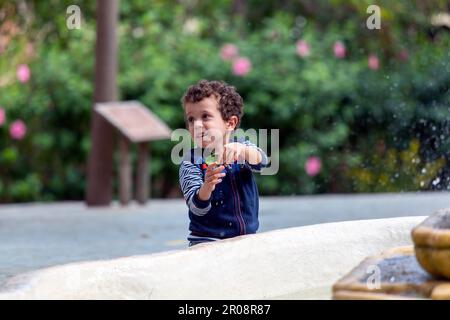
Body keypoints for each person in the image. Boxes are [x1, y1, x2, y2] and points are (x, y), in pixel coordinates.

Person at [179, 80, 269, 247]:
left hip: (246, 238)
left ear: (230, 122)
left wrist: (242, 150)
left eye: (205, 116)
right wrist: (207, 185)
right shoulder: (190, 162)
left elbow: (262, 162)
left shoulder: (241, 147)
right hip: (206, 241)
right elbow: (197, 207)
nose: (196, 125)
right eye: (191, 119)